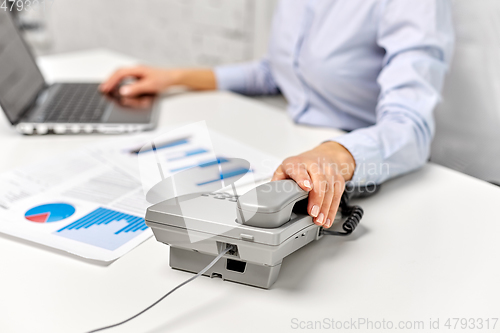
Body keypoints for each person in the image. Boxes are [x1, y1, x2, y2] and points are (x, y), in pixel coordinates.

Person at [100, 0, 454, 229]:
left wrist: (333, 154)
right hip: (293, 146)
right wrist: (176, 77)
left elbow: (411, 128)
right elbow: (276, 72)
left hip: (368, 165)